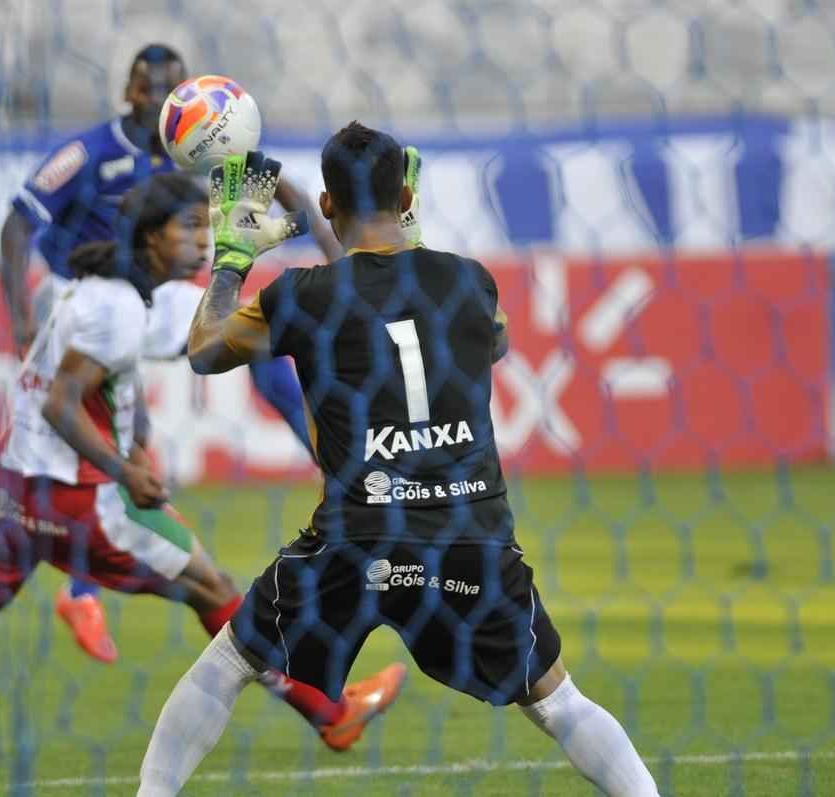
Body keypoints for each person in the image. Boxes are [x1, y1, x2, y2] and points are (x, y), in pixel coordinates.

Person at [135, 128, 661, 796]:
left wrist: (234, 259)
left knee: (228, 663)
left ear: (325, 206)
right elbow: (494, 343)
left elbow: (206, 349)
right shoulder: (471, 281)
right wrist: (414, 243)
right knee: (556, 700)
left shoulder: (305, 295)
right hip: (469, 536)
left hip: (356, 542)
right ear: (406, 194)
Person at [0, 173, 403, 770]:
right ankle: (332, 715)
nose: (202, 240)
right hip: (85, 501)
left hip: (12, 488)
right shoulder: (121, 307)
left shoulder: (84, 291)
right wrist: (127, 467)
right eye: (190, 228)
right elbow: (62, 402)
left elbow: (121, 370)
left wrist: (265, 218)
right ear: (149, 238)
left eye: (205, 226)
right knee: (215, 589)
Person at [0, 43, 341, 661]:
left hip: (156, 297)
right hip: (85, 299)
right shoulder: (91, 153)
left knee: (262, 341)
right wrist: (24, 319)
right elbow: (18, 223)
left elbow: (297, 209)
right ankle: (82, 584)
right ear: (129, 94)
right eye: (149, 87)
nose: (160, 98)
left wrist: (341, 269)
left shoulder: (207, 153)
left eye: (173, 89)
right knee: (118, 427)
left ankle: (336, 476)